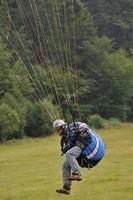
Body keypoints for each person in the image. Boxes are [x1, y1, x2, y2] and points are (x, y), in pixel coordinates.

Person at [53, 119, 106, 195]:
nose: (58, 132)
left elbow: (83, 125)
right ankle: (66, 188)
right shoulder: (64, 139)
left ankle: (77, 174)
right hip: (80, 151)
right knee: (65, 165)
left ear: (63, 126)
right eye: (56, 130)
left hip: (85, 147)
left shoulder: (74, 126)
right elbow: (66, 149)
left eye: (58, 129)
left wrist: (81, 129)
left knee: (69, 154)